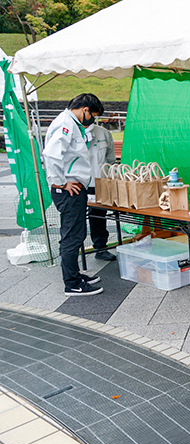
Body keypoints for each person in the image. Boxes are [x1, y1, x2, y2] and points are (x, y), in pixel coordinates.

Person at [42, 93, 105, 296]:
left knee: (76, 234)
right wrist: (60, 183)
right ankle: (72, 283)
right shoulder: (65, 124)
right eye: (93, 115)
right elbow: (51, 155)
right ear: (85, 110)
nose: (92, 120)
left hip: (75, 188)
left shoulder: (70, 123)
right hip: (69, 190)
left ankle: (75, 276)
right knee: (72, 236)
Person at [86, 120, 118, 261]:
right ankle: (69, 252)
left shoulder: (103, 132)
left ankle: (101, 248)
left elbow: (111, 159)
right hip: (79, 183)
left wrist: (113, 176)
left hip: (100, 181)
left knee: (99, 216)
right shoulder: (71, 131)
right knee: (73, 219)